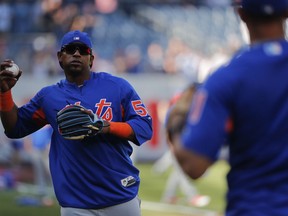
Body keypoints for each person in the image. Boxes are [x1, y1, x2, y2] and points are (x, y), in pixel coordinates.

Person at [0, 30, 153, 216]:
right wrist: (4, 93)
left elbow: (144, 126)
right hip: (75, 205)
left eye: (83, 50)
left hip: (119, 197)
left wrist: (106, 126)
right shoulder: (48, 97)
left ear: (91, 58)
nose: (77, 53)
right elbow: (15, 128)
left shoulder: (118, 87)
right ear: (59, 57)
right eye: (70, 49)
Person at [166, 0, 288, 215]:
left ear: (241, 14)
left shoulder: (226, 78)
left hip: (254, 207)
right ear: (286, 12)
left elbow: (194, 164)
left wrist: (174, 123)